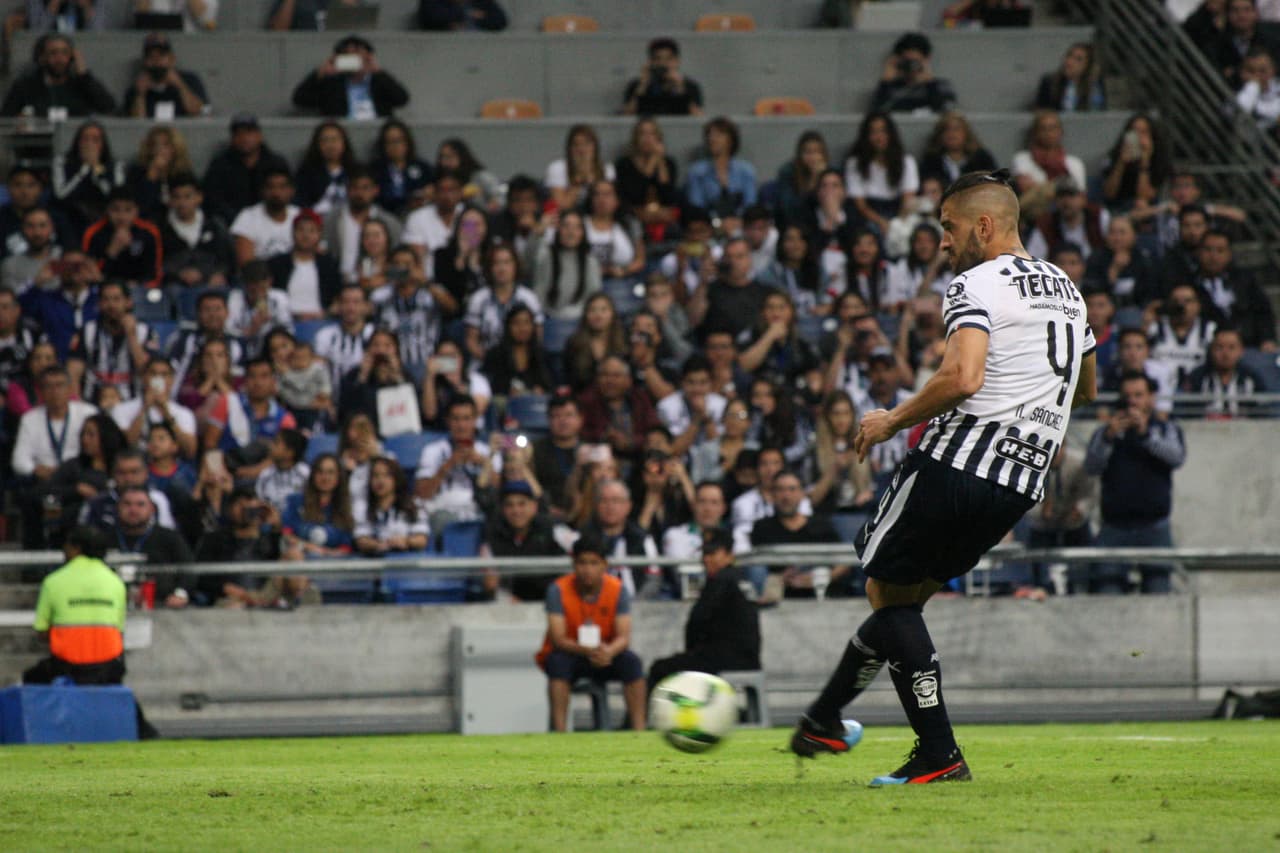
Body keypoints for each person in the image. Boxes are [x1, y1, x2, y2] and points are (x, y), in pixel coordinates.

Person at [791, 170, 1097, 785]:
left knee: (885, 591)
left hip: (958, 463)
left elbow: (963, 379)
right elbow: (1085, 389)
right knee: (905, 602)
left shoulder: (975, 282)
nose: (944, 244)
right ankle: (823, 720)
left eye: (949, 229)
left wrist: (891, 420)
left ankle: (938, 753)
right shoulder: (1067, 288)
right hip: (1019, 483)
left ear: (984, 226)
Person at [23, 525, 157, 739]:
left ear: (76, 548)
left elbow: (41, 631)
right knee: (116, 684)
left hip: (67, 665)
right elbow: (117, 629)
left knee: (32, 678)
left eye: (67, 545)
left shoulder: (54, 581)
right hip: (108, 665)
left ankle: (41, 733)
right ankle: (144, 733)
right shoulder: (115, 582)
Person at [1084, 372, 1184, 593]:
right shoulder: (1106, 432)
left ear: (1151, 398)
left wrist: (1146, 435)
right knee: (1107, 589)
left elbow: (1176, 457)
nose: (1132, 401)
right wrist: (1108, 437)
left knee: (1158, 589)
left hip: (1154, 525)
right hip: (1114, 526)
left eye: (1138, 395)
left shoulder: (1166, 428)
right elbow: (1091, 466)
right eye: (1127, 395)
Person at [536, 532, 646, 732]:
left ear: (605, 565)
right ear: (573, 564)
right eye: (582, 563)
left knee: (632, 663)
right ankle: (560, 732)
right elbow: (558, 638)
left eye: (594, 563)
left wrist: (608, 652)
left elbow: (624, 636)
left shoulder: (618, 589)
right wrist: (588, 651)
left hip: (606, 653)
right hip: (573, 653)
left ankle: (639, 730)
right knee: (557, 662)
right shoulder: (557, 590)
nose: (587, 569)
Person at [647, 526, 759, 693]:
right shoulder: (738, 579)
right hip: (744, 657)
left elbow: (698, 620)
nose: (707, 559)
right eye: (705, 553)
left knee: (660, 669)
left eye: (713, 553)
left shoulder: (721, 580)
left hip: (726, 657)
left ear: (729, 555)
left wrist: (690, 651)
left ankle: (643, 719)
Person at [750, 472, 848, 601]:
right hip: (777, 596)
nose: (786, 496)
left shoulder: (821, 525)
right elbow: (755, 567)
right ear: (772, 495)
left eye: (792, 489)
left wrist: (820, 578)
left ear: (802, 494)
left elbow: (845, 562)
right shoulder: (762, 528)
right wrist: (780, 578)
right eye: (780, 490)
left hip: (820, 596)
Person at [413, 394, 498, 529]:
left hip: (479, 511)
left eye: (466, 419)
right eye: (456, 419)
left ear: (475, 420)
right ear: (447, 421)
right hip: (442, 510)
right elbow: (422, 495)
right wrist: (448, 465)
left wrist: (484, 464)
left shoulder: (487, 452)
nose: (461, 425)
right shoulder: (432, 451)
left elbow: (502, 490)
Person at [67, 280, 155, 403]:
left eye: (116, 299)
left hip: (132, 404)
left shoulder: (144, 332)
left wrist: (132, 336)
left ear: (128, 302)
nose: (111, 305)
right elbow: (73, 373)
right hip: (93, 401)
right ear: (99, 304)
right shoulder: (88, 331)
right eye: (106, 300)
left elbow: (149, 372)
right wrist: (77, 406)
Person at [1191, 230, 1277, 350]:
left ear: (1229, 254)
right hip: (1207, 348)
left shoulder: (1245, 279)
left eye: (1220, 251)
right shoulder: (1190, 284)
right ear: (1199, 252)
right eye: (1208, 250)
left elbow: (1263, 311)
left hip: (1248, 345)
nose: (1213, 256)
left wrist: (1267, 339)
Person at [481, 479, 563, 602]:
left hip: (553, 602)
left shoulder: (554, 529)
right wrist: (509, 600)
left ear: (534, 506)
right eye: (510, 505)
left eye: (522, 504)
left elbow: (579, 555)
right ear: (503, 509)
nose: (516, 511)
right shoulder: (493, 536)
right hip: (511, 608)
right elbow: (490, 584)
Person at [291, 34, 409, 120]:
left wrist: (379, 73)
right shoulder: (331, 84)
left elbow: (402, 99)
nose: (352, 57)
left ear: (368, 56)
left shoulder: (379, 81)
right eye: (347, 54)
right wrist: (318, 74)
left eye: (357, 53)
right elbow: (299, 99)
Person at [202, 113, 291, 227]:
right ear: (232, 138)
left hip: (272, 220)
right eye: (238, 134)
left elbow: (288, 194)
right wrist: (241, 221)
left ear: (259, 136)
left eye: (249, 132)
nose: (244, 138)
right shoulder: (220, 165)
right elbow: (213, 200)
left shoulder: (276, 163)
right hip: (232, 224)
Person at [577, 355, 661, 474]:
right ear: (597, 379)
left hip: (639, 461)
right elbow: (580, 432)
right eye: (605, 375)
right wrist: (605, 436)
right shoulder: (587, 401)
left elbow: (654, 429)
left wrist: (631, 442)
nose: (610, 381)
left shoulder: (640, 398)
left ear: (628, 380)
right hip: (599, 465)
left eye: (616, 376)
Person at [1, 33, 115, 117]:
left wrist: (84, 75)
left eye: (65, 53)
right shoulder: (25, 86)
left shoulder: (82, 84)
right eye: (53, 53)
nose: (60, 59)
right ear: (42, 58)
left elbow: (109, 107)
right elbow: (6, 117)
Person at [324, 166, 402, 284]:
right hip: (339, 283)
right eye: (354, 188)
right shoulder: (331, 220)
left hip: (380, 283)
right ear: (347, 190)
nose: (359, 193)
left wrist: (384, 278)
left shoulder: (390, 223)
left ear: (376, 190)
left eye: (365, 188)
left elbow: (400, 261)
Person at [844, 112, 919, 235]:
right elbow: (861, 205)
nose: (879, 137)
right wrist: (881, 222)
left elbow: (908, 199)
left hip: (898, 210)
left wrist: (897, 224)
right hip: (869, 213)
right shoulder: (855, 164)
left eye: (883, 131)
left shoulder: (906, 162)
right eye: (873, 132)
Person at [686, 237, 773, 340]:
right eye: (728, 257)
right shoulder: (709, 289)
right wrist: (703, 283)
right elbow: (693, 320)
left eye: (739, 256)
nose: (733, 262)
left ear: (750, 260)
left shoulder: (764, 291)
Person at [159, 172, 232, 289]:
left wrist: (216, 274)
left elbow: (226, 260)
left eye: (187, 196)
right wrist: (178, 274)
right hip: (173, 286)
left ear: (199, 197)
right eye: (177, 197)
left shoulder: (215, 225)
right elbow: (156, 264)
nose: (182, 203)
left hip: (210, 283)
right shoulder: (161, 228)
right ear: (170, 200)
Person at [1010, 111, 1087, 222]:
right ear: (1035, 133)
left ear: (1061, 132)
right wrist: (1058, 188)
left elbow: (1080, 198)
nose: (1048, 133)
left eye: (1053, 128)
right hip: (1031, 216)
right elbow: (1025, 192)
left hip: (1064, 216)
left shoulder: (1074, 163)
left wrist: (1042, 189)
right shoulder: (1022, 159)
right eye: (1043, 129)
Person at [614, 118, 683, 242]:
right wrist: (651, 165)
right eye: (642, 133)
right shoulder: (624, 164)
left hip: (663, 217)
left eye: (652, 134)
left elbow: (669, 198)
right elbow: (634, 196)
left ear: (658, 138)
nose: (647, 138)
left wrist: (660, 163)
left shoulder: (668, 163)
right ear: (635, 138)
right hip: (634, 216)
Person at [268, 208, 342, 321]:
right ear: (293, 233)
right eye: (301, 230)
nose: (306, 236)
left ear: (319, 234)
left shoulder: (329, 265)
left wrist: (325, 314)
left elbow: (337, 299)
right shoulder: (277, 264)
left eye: (312, 231)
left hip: (321, 322)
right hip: (284, 322)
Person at [53, 120, 126, 236]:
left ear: (103, 144)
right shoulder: (62, 162)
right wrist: (84, 170)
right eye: (85, 139)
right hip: (70, 216)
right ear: (77, 142)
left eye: (95, 140)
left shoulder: (114, 165)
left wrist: (96, 169)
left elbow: (116, 197)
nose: (89, 144)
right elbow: (61, 195)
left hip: (104, 218)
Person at [81, 188, 163, 289]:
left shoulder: (149, 232)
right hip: (103, 290)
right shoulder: (94, 233)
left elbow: (155, 274)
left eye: (128, 210)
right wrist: (112, 252)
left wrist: (137, 285)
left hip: (139, 290)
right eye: (115, 210)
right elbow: (90, 275)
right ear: (107, 210)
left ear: (136, 210)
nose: (121, 216)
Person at [530, 210, 602, 323]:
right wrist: (538, 232)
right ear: (558, 230)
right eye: (566, 226)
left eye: (576, 227)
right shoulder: (545, 255)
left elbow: (593, 298)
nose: (571, 232)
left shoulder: (591, 262)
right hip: (547, 319)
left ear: (583, 233)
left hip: (580, 321)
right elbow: (527, 261)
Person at [1182, 326, 1268, 417]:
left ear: (1241, 350)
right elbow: (1190, 414)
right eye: (1219, 347)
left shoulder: (1252, 379)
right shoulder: (1198, 377)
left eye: (1231, 347)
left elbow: (1262, 414)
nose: (1225, 354)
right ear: (1211, 350)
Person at [684, 117, 756, 221]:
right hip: (708, 225)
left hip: (741, 224)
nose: (712, 139)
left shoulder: (746, 171)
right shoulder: (697, 172)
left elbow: (750, 205)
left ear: (730, 140)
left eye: (718, 135)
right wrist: (716, 223)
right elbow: (696, 206)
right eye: (710, 135)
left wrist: (737, 221)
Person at [353, 455, 429, 555]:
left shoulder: (414, 506)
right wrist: (378, 545)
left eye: (386, 475)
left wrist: (406, 541)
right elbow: (361, 540)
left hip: (407, 560)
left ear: (396, 479)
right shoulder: (363, 508)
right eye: (376, 476)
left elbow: (421, 539)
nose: (380, 481)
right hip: (375, 561)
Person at [122, 32, 208, 119]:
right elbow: (135, 125)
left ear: (172, 59)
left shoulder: (190, 80)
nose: (156, 61)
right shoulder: (135, 88)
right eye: (151, 57)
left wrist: (180, 85)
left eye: (161, 55)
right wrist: (140, 94)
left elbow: (198, 112)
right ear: (144, 62)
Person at [0, 166, 75, 261]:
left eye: (31, 185)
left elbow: (73, 252)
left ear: (41, 189)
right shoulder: (2, 218)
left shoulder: (56, 218)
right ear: (8, 188)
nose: (24, 191)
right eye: (17, 185)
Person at [870, 32, 957, 114]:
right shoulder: (889, 88)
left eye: (915, 61)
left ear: (926, 60)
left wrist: (930, 84)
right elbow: (877, 115)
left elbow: (947, 112)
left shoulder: (942, 86)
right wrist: (885, 82)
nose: (911, 66)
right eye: (907, 61)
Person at [1148, 283, 1217, 385]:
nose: (1181, 305)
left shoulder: (1209, 330)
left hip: (1198, 391)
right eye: (1175, 301)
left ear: (1197, 305)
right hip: (1161, 390)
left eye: (1187, 301)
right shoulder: (1154, 328)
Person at [1100, 114, 1172, 212]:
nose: (1138, 136)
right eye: (1134, 131)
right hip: (1117, 207)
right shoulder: (1114, 157)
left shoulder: (1159, 161)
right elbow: (1109, 193)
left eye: (1143, 132)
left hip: (1148, 210)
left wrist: (1145, 161)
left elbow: (1144, 197)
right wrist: (1121, 163)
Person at [1025, 178, 1108, 262]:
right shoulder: (1046, 224)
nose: (1066, 201)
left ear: (1083, 198)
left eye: (1071, 195)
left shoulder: (1099, 216)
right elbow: (1033, 260)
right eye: (1061, 196)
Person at [231, 167, 299, 268]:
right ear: (262, 190)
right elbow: (246, 264)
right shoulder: (248, 217)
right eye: (271, 187)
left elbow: (316, 254)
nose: (276, 193)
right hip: (260, 280)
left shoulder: (300, 215)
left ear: (292, 191)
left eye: (282, 187)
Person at [622, 37, 704, 117]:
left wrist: (680, 88)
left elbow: (698, 117)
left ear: (677, 61)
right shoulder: (636, 85)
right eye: (657, 59)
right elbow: (626, 116)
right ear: (650, 61)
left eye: (668, 59)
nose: (663, 64)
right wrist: (642, 86)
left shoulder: (690, 86)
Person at [544, 124, 615, 213]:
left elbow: (609, 205)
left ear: (595, 147)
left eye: (586, 144)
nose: (581, 149)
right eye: (576, 145)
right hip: (568, 218)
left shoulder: (607, 169)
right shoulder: (557, 168)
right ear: (569, 149)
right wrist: (579, 181)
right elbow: (561, 207)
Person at [532, 395, 583, 516]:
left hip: (584, 515)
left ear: (580, 419)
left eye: (568, 415)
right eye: (556, 416)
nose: (563, 421)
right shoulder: (534, 450)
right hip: (544, 514)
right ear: (548, 420)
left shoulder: (589, 450)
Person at [369, 119, 432, 218]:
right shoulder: (374, 170)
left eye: (399, 140)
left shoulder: (422, 168)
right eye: (390, 142)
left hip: (418, 215)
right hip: (385, 217)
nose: (395, 146)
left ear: (407, 142)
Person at [403, 170, 464, 272]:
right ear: (434, 192)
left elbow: (472, 249)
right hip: (428, 279)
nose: (447, 195)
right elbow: (416, 258)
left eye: (452, 190)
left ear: (460, 192)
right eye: (442, 190)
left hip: (463, 278)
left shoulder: (470, 217)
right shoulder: (417, 218)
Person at [919, 112, 997, 187]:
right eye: (946, 130)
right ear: (940, 135)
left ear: (966, 133)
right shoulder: (931, 161)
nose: (951, 134)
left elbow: (995, 182)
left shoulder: (982, 158)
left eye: (956, 129)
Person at [1035, 42, 1106, 112]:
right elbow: (1041, 113)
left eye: (1078, 59)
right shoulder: (1049, 82)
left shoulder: (1095, 86)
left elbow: (1097, 113)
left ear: (1087, 66)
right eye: (1069, 56)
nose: (1070, 62)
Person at [254, 427, 309, 513]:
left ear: (289, 452)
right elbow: (260, 505)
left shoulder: (306, 474)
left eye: (276, 443)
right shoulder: (265, 475)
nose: (271, 446)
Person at [418, 0, 507, 30]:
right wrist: (466, 14)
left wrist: (481, 20)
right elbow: (431, 17)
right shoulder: (433, 2)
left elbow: (500, 21)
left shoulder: (480, 2)